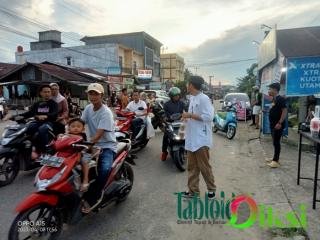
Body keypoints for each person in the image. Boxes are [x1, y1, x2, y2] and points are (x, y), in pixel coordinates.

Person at [81, 83, 117, 213]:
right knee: (76, 163)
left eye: (96, 94)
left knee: (104, 169)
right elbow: (80, 123)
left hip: (107, 146)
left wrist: (87, 145)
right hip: (91, 145)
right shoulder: (88, 108)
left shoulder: (106, 112)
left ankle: (93, 197)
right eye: (91, 93)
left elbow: (98, 135)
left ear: (102, 95)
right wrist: (68, 133)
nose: (93, 96)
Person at [181, 76, 216, 199]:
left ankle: (211, 189)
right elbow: (193, 116)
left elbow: (208, 117)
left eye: (187, 83)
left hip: (201, 139)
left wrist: (190, 115)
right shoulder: (192, 98)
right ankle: (193, 191)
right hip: (191, 138)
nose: (186, 85)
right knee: (192, 167)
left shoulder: (204, 99)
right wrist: (186, 117)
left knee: (204, 166)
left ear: (191, 85)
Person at [11, 85, 58, 155]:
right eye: (45, 92)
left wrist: (46, 116)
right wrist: (14, 116)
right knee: (27, 127)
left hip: (49, 123)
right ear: (41, 93)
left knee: (42, 129)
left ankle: (46, 148)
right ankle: (30, 146)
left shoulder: (54, 104)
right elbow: (29, 113)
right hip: (38, 122)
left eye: (48, 92)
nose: (47, 94)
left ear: (51, 93)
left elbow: (54, 114)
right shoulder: (37, 104)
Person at [60, 118, 90, 192]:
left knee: (84, 161)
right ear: (69, 128)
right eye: (73, 126)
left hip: (82, 153)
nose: (75, 128)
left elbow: (81, 144)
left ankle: (85, 180)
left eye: (78, 126)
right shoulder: (66, 135)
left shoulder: (82, 135)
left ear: (83, 128)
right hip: (70, 154)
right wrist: (60, 136)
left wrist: (67, 135)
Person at [266, 82, 287, 168]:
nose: (269, 91)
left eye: (270, 89)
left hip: (277, 124)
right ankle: (274, 158)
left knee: (276, 142)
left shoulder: (280, 99)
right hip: (273, 124)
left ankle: (276, 161)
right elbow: (275, 110)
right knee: (274, 142)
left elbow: (284, 111)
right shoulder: (275, 99)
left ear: (275, 90)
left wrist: (280, 122)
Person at [161, 87, 185, 161]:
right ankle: (164, 152)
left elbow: (186, 111)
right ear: (171, 96)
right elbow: (163, 113)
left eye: (178, 95)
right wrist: (164, 118)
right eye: (175, 96)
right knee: (165, 137)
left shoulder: (182, 103)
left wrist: (186, 116)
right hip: (170, 123)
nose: (176, 97)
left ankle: (189, 149)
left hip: (180, 122)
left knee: (187, 135)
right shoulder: (166, 104)